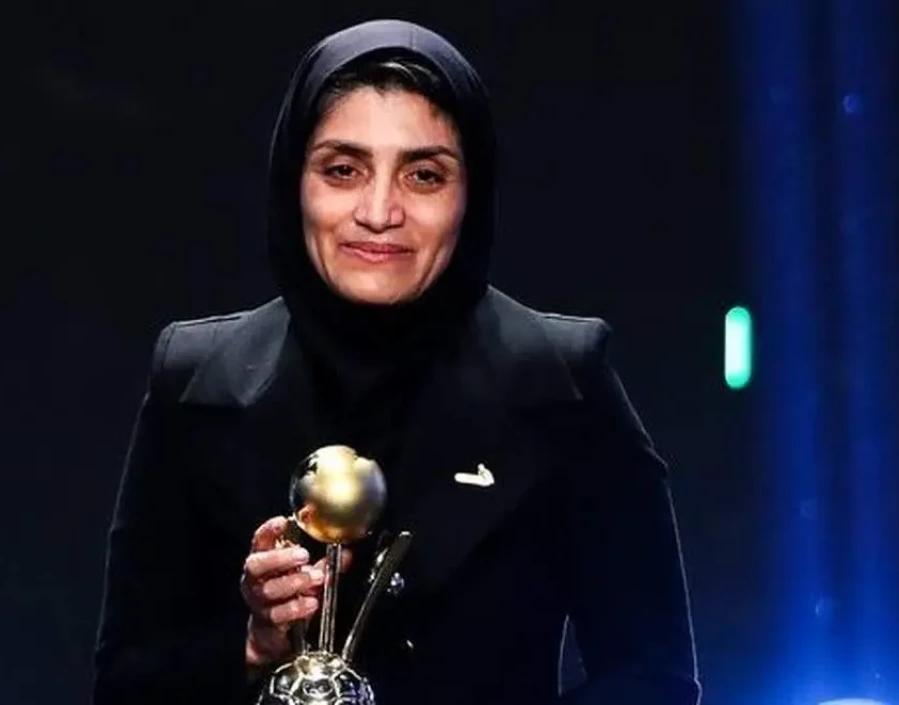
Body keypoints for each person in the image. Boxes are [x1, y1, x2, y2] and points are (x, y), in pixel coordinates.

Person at [92, 18, 700, 705]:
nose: (380, 211)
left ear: (472, 194)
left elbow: (653, 679)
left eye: (424, 175)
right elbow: (124, 685)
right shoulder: (197, 382)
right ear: (294, 181)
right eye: (343, 170)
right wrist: (253, 645)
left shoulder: (562, 383)